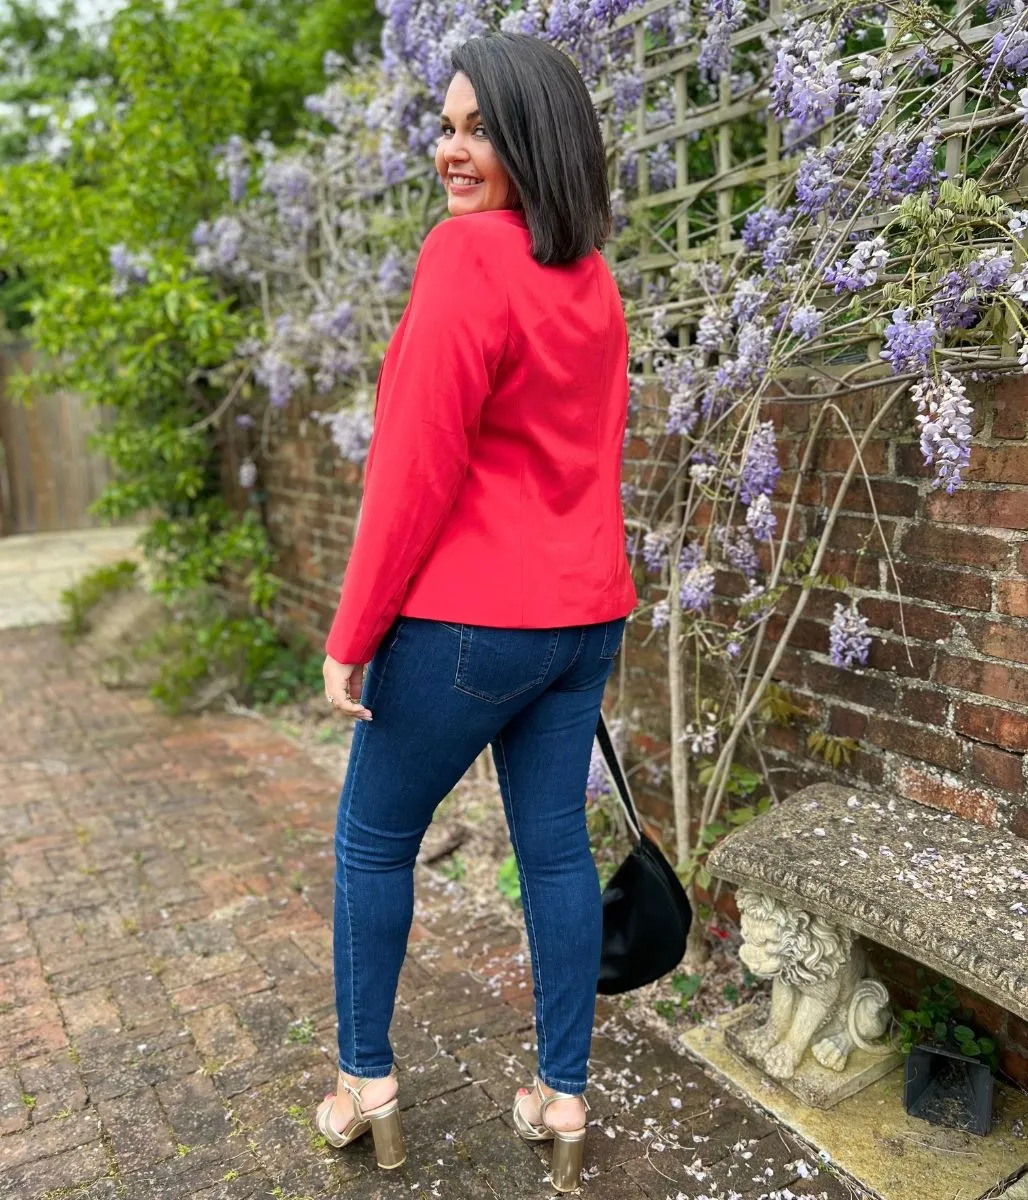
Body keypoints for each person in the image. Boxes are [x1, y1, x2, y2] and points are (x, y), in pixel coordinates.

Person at [315, 32, 637, 1194]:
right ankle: (559, 1097)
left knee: (370, 839)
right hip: (579, 619)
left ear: (532, 138)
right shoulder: (590, 277)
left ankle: (366, 1086)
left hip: (464, 625)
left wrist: (352, 636)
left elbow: (412, 468)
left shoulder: (462, 259)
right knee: (552, 852)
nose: (451, 149)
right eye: (444, 126)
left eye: (477, 128)